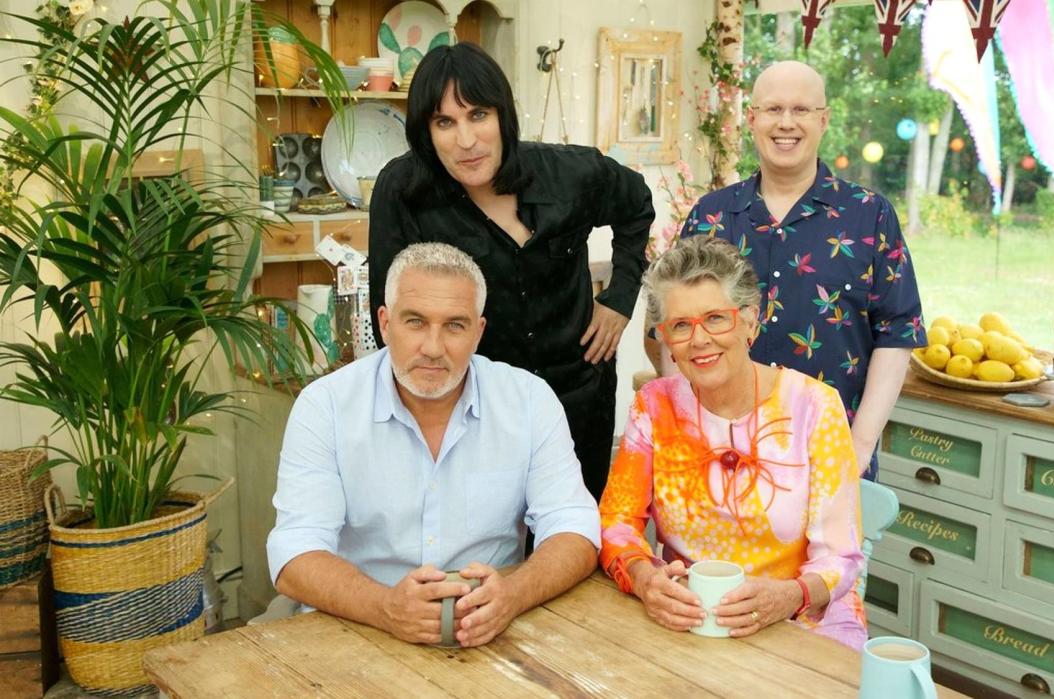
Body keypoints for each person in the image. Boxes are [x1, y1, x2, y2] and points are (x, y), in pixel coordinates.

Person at [267, 242, 600, 647]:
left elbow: (575, 528)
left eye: (455, 326)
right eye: (415, 322)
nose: (433, 348)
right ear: (385, 325)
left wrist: (513, 595)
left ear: (478, 332)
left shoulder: (528, 400)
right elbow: (293, 553)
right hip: (356, 626)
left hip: (491, 629)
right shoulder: (326, 406)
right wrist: (386, 608)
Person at [369, 43, 655, 499]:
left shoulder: (570, 173)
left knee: (574, 538)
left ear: (503, 115)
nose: (466, 140)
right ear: (426, 132)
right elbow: (390, 307)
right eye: (445, 122)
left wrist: (620, 297)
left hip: (579, 395)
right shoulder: (402, 190)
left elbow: (637, 203)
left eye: (478, 115)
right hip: (475, 409)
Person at [599, 236, 867, 650]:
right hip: (693, 621)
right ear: (665, 337)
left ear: (749, 321)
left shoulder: (814, 407)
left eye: (716, 318)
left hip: (803, 623)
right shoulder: (654, 406)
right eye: (681, 325)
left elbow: (841, 558)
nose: (699, 339)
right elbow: (616, 523)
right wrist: (644, 578)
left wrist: (790, 596)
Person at [679, 61, 925, 481]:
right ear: (752, 119)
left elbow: (898, 333)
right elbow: (674, 328)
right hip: (721, 455)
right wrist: (688, 430)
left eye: (801, 110)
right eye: (773, 109)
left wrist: (859, 447)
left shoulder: (868, 216)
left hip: (831, 456)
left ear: (824, 120)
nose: (786, 123)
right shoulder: (711, 217)